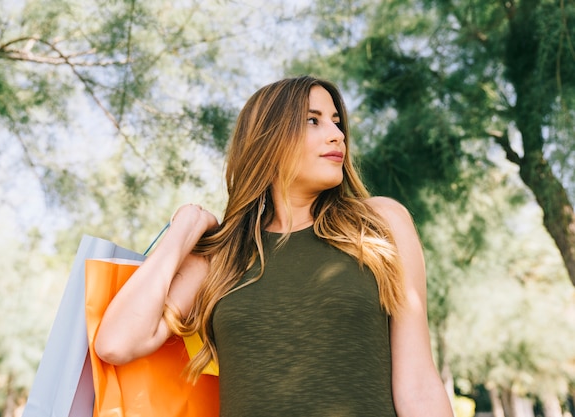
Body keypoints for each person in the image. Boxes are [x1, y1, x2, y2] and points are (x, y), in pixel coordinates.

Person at [95, 76, 454, 417]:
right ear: (268, 140)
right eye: (313, 121)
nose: (336, 135)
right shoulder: (222, 253)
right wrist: (184, 232)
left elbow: (418, 384)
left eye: (336, 121)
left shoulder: (380, 223)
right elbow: (117, 342)